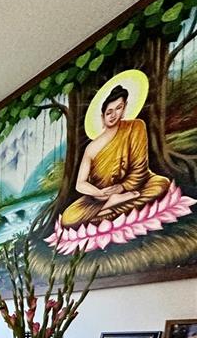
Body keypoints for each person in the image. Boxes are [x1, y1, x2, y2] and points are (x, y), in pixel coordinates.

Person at [59, 85, 170, 230]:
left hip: (133, 187)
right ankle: (110, 206)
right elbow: (80, 184)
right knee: (68, 217)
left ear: (124, 109)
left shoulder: (135, 127)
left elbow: (140, 170)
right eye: (109, 112)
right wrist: (100, 193)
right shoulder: (91, 148)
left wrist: (122, 187)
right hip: (99, 197)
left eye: (118, 108)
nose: (113, 115)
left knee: (161, 184)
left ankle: (105, 211)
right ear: (102, 117)